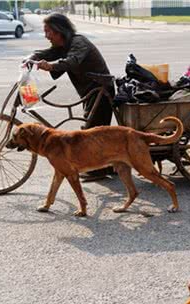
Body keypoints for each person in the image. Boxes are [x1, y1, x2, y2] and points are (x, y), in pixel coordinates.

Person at [26, 13, 114, 181]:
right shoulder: (65, 45)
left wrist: (50, 66)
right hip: (90, 91)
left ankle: (99, 170)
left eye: (49, 31)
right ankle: (108, 165)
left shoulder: (78, 42)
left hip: (101, 91)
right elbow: (49, 52)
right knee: (94, 128)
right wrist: (32, 58)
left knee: (93, 132)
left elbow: (72, 61)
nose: (47, 36)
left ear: (60, 31)